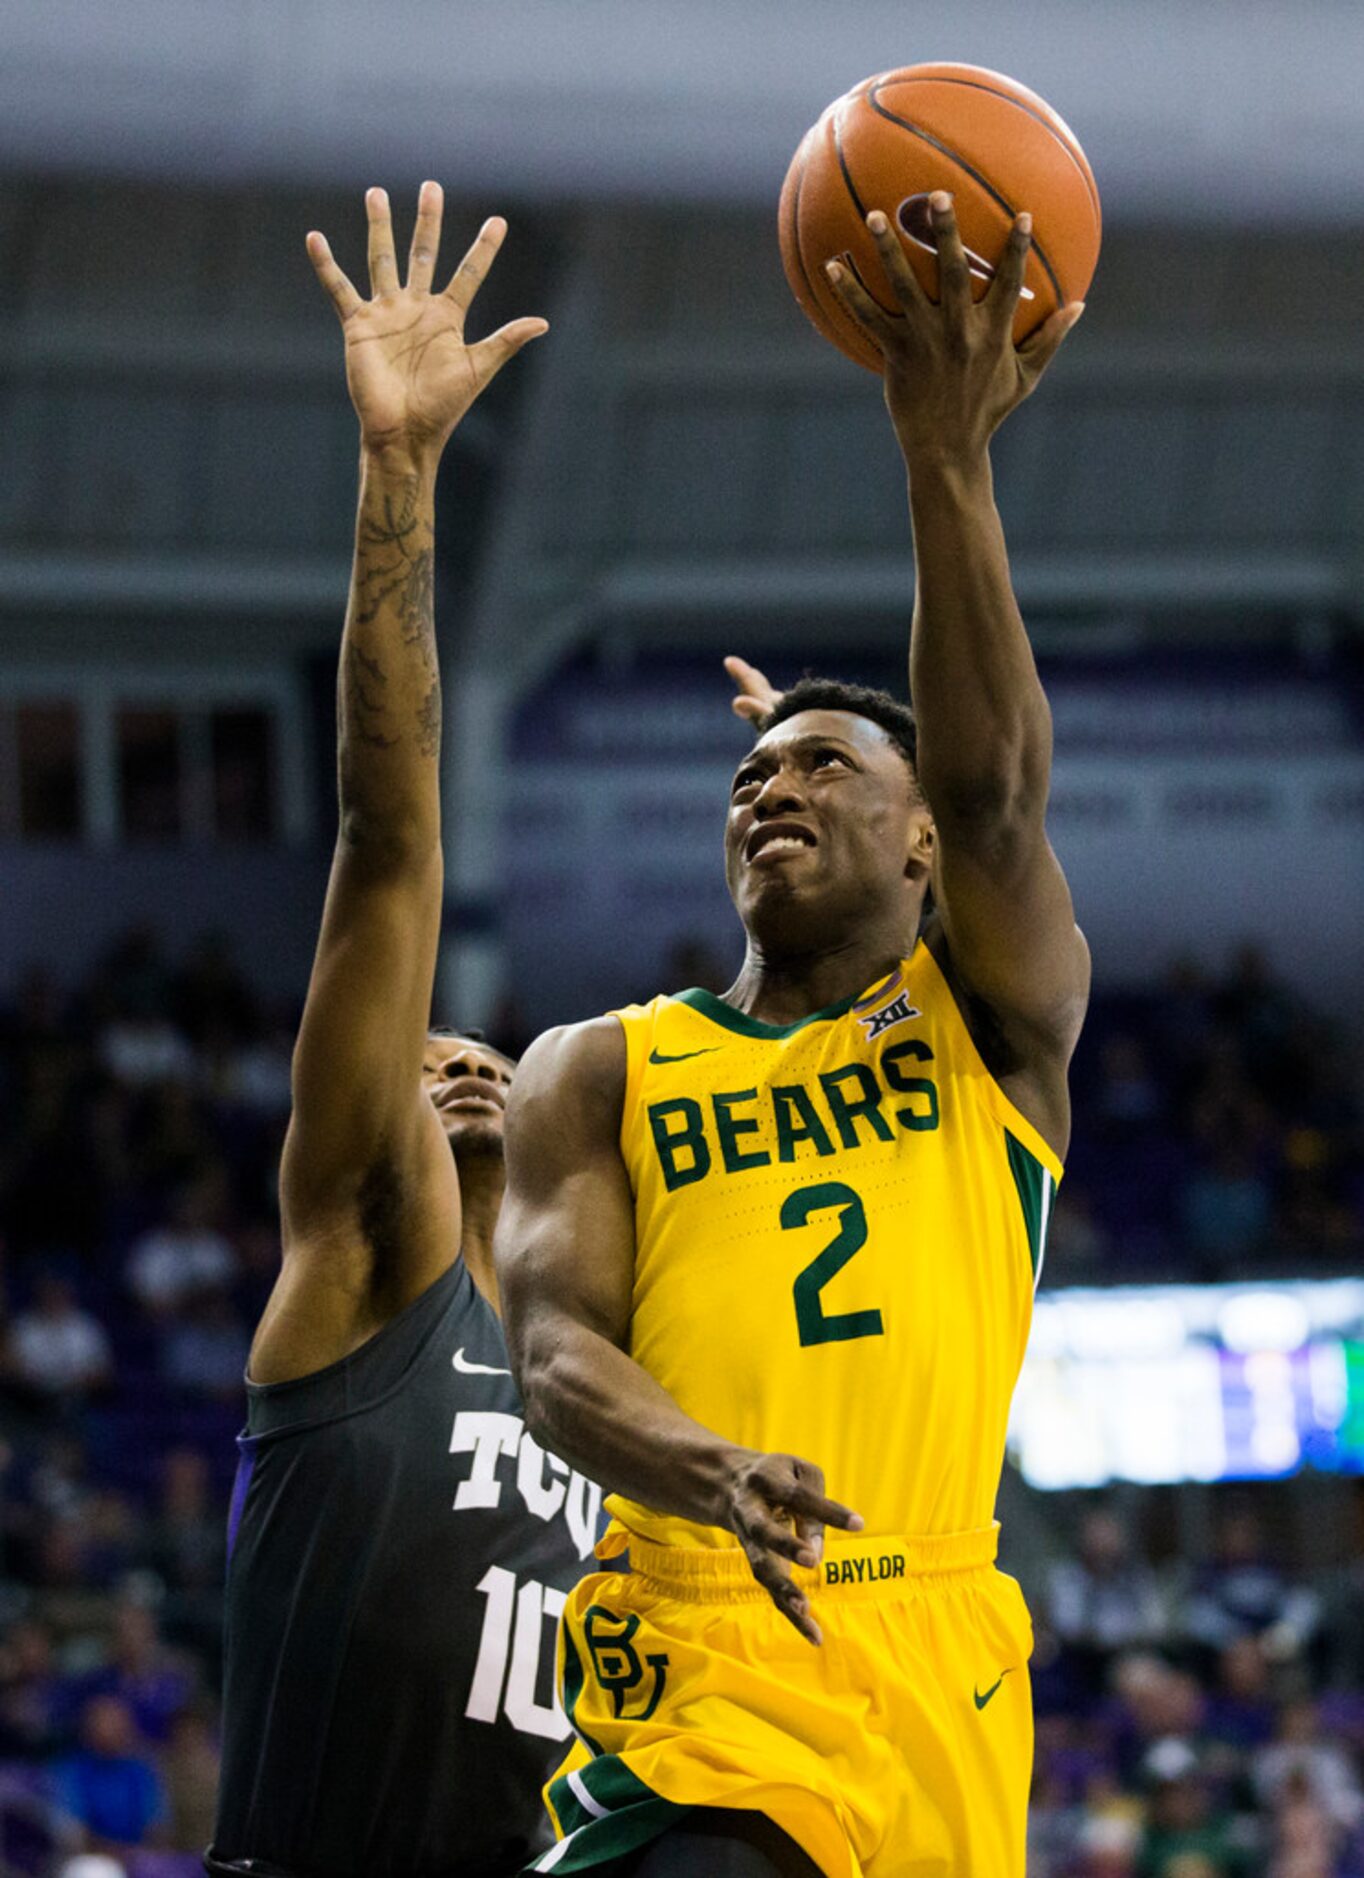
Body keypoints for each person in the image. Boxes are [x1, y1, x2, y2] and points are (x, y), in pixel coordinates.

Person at [497, 194, 1089, 1875]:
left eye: (828, 767)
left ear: (918, 847)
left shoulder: (989, 1026)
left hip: (947, 1657)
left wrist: (943, 457)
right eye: (755, 772)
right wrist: (711, 1467)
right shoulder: (599, 1067)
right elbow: (552, 1359)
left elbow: (989, 789)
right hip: (709, 1637)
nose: (774, 785)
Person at [208, 184, 603, 1878]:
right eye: (423, 1049)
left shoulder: (618, 1385)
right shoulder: (378, 1252)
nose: (449, 1059)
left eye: (479, 1052)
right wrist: (402, 477)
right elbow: (390, 848)